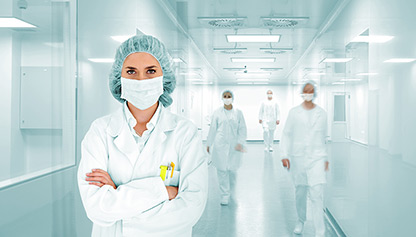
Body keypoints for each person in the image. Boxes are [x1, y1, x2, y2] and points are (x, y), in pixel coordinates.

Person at [77, 35, 208, 237]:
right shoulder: (100, 131)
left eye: (151, 71)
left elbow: (191, 209)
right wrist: (164, 191)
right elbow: (96, 208)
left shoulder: (185, 133)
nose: (141, 80)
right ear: (118, 77)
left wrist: (118, 198)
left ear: (164, 76)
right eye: (131, 71)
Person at [280, 81, 329, 237]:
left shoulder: (322, 113)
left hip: (317, 158)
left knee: (317, 194)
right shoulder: (294, 112)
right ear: (302, 93)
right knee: (300, 193)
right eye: (306, 90)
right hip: (299, 158)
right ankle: (301, 220)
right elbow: (286, 134)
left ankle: (319, 231)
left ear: (315, 93)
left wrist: (326, 157)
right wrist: (284, 155)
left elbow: (323, 137)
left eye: (311, 90)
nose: (308, 93)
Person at [206, 90, 247, 205]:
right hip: (220, 145)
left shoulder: (238, 113)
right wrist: (209, 143)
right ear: (222, 98)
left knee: (232, 171)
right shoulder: (217, 113)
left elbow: (242, 128)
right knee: (222, 171)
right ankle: (224, 195)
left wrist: (240, 142)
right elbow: (213, 129)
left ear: (232, 98)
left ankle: (232, 192)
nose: (227, 98)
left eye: (229, 96)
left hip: (234, 146)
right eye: (225, 96)